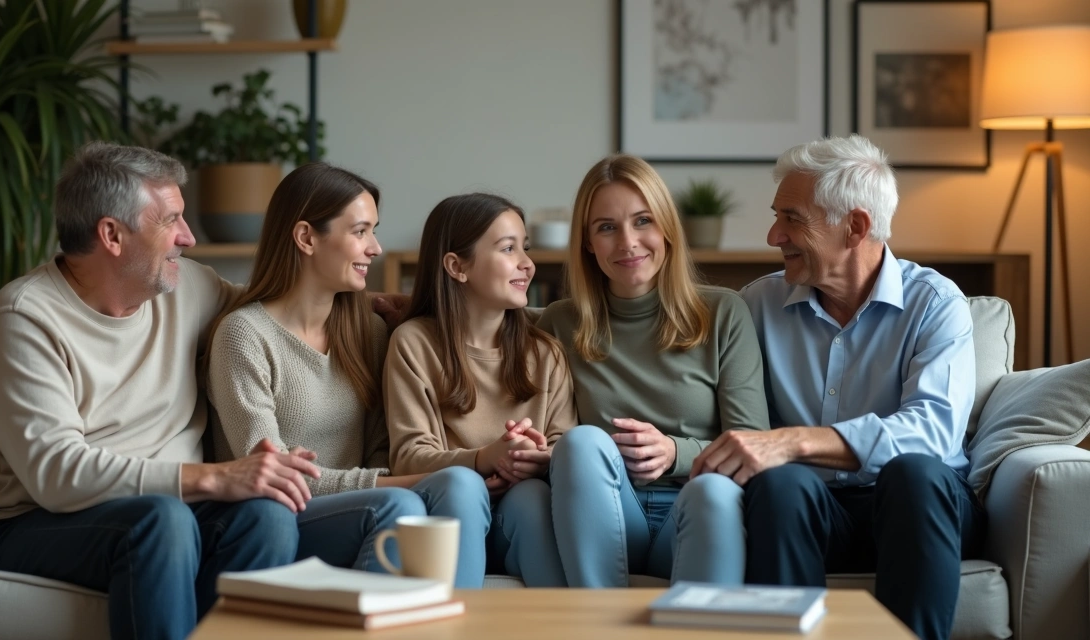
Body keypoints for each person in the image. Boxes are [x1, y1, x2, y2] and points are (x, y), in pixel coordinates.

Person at [0, 142, 318, 640]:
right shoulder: (23, 320)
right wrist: (216, 478)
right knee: (163, 521)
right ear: (111, 234)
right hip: (36, 521)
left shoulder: (187, 288)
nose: (189, 237)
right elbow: (55, 473)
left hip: (169, 511)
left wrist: (385, 307)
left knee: (268, 516)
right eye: (171, 220)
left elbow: (283, 314)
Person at [689, 134, 985, 640]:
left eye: (791, 218)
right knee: (781, 483)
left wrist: (794, 441)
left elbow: (933, 433)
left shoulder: (935, 304)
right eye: (776, 216)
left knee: (915, 473)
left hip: (921, 511)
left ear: (856, 226)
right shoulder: (756, 306)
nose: (772, 236)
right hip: (809, 511)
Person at [206, 162, 489, 586]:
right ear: (306, 237)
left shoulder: (367, 330)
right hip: (274, 517)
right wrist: (398, 484)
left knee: (456, 486)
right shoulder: (243, 336)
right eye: (360, 232)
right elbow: (271, 472)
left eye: (373, 230)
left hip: (359, 508)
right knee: (401, 507)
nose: (375, 247)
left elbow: (379, 447)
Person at [539, 154, 770, 587]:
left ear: (666, 227)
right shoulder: (559, 322)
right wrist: (419, 308)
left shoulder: (723, 312)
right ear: (588, 243)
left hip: (691, 508)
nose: (628, 242)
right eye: (606, 227)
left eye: (642, 221)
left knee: (715, 491)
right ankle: (597, 622)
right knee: (583, 443)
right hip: (605, 510)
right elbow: (489, 322)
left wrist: (674, 451)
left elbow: (751, 443)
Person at [384, 193, 576, 587]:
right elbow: (408, 456)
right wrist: (485, 458)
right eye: (508, 249)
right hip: (447, 511)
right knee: (463, 486)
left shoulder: (545, 353)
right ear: (457, 266)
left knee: (533, 499)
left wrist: (535, 457)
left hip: (519, 516)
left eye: (526, 247)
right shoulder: (414, 343)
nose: (527, 263)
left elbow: (566, 445)